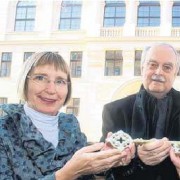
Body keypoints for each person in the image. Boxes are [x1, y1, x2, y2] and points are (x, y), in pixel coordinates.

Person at [0, 52, 134, 180]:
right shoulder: (4, 129)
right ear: (25, 81)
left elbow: (87, 171)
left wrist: (108, 157)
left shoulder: (70, 124)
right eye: (40, 78)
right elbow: (76, 169)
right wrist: (67, 174)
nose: (51, 90)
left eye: (60, 81)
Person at [101, 43, 180, 180]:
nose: (158, 72)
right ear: (142, 68)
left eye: (167, 67)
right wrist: (136, 161)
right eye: (153, 65)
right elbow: (106, 171)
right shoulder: (114, 112)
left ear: (175, 73)